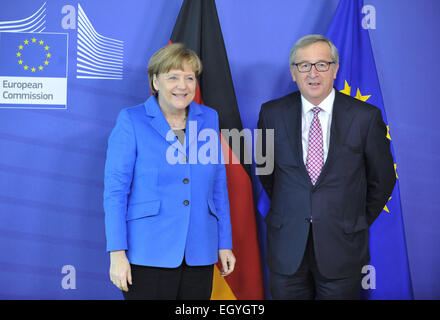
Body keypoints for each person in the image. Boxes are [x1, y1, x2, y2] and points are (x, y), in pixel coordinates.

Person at [257, 34, 396, 299]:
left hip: (342, 247)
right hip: (287, 249)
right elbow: (266, 173)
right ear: (293, 72)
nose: (313, 73)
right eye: (304, 65)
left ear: (334, 69)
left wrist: (355, 219)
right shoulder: (270, 114)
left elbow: (384, 179)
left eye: (321, 64)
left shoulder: (365, 117)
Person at [104, 43, 235, 300]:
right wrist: (117, 253)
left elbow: (218, 185)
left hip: (199, 250)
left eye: (189, 77)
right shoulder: (131, 120)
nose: (182, 85)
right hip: (147, 252)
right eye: (173, 77)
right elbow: (116, 193)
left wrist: (224, 243)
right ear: (155, 81)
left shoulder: (209, 118)